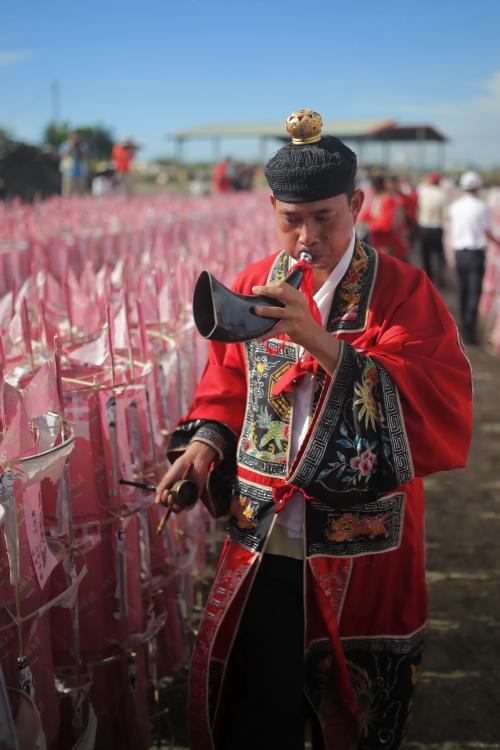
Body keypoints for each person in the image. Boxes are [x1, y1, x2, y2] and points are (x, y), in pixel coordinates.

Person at [156, 109, 473, 750]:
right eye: (290, 219)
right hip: (265, 532)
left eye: (325, 217)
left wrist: (321, 342)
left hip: (362, 543)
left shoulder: (404, 291)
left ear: (356, 203)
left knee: (350, 718)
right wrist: (203, 443)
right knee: (258, 708)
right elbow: (225, 386)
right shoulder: (249, 287)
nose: (307, 237)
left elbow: (433, 398)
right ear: (272, 208)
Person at [449, 170, 500, 344]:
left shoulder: (455, 206)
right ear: (478, 187)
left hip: (460, 253)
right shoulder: (482, 206)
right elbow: (487, 232)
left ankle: (462, 325)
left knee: (462, 289)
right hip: (476, 255)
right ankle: (470, 328)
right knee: (474, 292)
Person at [360, 175, 408, 259]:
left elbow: (386, 225)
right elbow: (368, 214)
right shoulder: (378, 198)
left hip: (388, 245)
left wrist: (367, 225)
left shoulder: (387, 200)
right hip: (379, 243)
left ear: (375, 187)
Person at [417, 172, 447, 287]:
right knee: (439, 255)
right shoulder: (441, 194)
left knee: (425, 254)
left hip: (424, 226)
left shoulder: (423, 192)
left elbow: (418, 207)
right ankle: (439, 278)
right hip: (436, 226)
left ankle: (428, 277)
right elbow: (445, 213)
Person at [59, 131, 89, 197]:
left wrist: (81, 150)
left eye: (77, 137)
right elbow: (61, 156)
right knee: (67, 189)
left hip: (81, 170)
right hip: (68, 170)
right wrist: (71, 147)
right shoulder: (65, 145)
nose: (76, 138)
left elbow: (87, 156)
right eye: (74, 137)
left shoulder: (83, 145)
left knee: (81, 190)